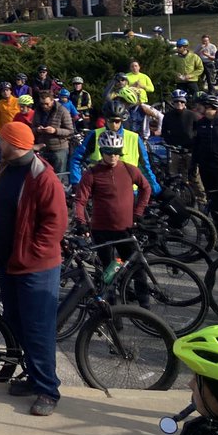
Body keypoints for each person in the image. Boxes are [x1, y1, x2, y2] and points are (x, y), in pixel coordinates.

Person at [0, 121, 67, 417]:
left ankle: (47, 390)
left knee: (38, 329)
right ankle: (33, 378)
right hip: (9, 263)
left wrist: (31, 255)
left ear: (13, 143)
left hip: (34, 268)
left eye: (1, 140)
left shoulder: (43, 178)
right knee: (16, 323)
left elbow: (54, 225)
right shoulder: (6, 169)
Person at [71, 130, 150, 304]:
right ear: (102, 152)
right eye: (109, 153)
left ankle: (145, 308)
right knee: (109, 273)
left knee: (137, 269)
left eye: (117, 152)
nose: (114, 156)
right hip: (102, 230)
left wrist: (138, 213)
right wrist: (80, 222)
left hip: (125, 229)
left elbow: (146, 188)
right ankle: (112, 312)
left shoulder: (130, 170)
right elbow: (80, 200)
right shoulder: (92, 173)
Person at [31, 91, 74, 182]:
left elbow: (70, 131)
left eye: (47, 104)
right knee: (43, 176)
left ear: (52, 101)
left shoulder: (62, 111)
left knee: (58, 177)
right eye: (42, 104)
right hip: (43, 147)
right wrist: (37, 129)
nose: (44, 106)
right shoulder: (38, 111)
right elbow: (32, 128)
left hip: (59, 149)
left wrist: (55, 130)